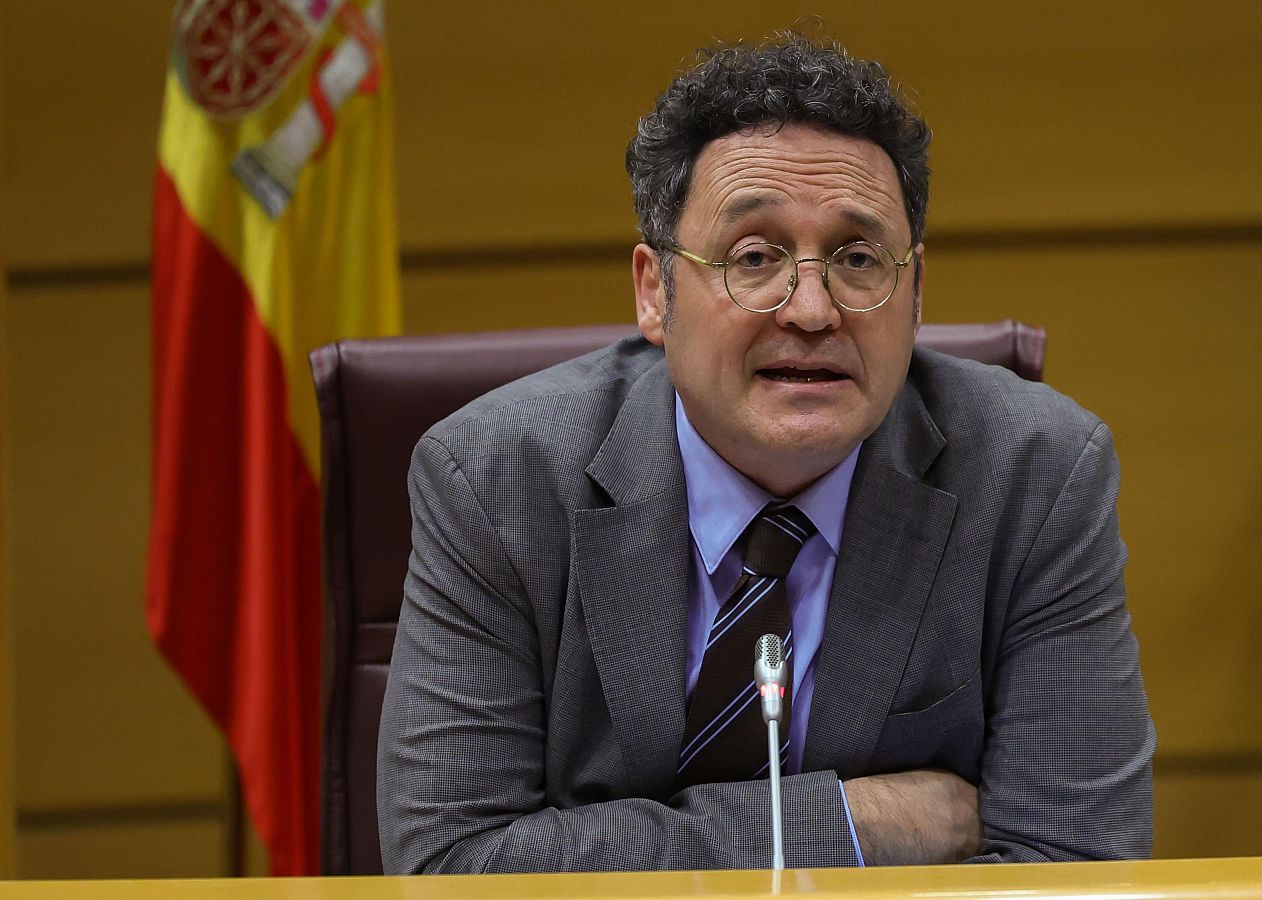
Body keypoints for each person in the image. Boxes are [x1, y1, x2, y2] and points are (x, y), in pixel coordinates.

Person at [377, 33, 1154, 874]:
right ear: (653, 291)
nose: (814, 309)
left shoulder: (1038, 475)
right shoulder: (494, 481)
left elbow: (1079, 865)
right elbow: (451, 868)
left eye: (859, 259)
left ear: (917, 292)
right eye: (756, 257)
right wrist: (849, 824)